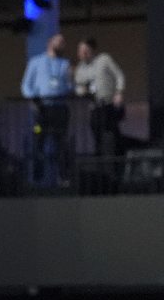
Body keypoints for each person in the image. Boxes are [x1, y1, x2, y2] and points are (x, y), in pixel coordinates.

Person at [21, 33, 73, 187]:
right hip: (41, 109)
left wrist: (71, 83)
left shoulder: (65, 64)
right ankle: (37, 178)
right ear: (50, 42)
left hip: (60, 108)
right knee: (38, 140)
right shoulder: (36, 62)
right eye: (59, 41)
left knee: (61, 143)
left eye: (64, 42)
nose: (62, 44)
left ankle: (64, 178)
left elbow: (69, 86)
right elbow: (25, 85)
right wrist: (34, 98)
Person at [74, 37, 126, 157]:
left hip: (109, 103)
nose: (82, 53)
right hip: (95, 106)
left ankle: (118, 159)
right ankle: (101, 162)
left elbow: (119, 75)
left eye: (85, 50)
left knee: (112, 133)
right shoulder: (80, 69)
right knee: (97, 133)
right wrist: (82, 91)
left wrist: (119, 92)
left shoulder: (104, 59)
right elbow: (78, 86)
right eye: (80, 50)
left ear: (91, 50)